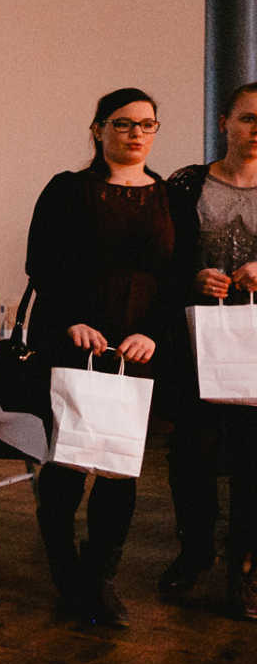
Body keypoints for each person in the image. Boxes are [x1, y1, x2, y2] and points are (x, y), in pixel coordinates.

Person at [25, 87, 174, 627]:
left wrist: (154, 334)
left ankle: (100, 576)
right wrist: (71, 320)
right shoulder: (68, 190)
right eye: (124, 123)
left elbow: (175, 278)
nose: (136, 133)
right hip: (75, 342)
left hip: (139, 350)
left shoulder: (169, 195)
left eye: (147, 125)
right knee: (65, 463)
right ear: (98, 129)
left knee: (119, 468)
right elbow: (41, 263)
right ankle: (66, 574)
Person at [160, 82, 257, 618]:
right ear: (224, 122)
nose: (255, 131)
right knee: (192, 455)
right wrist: (190, 278)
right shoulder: (187, 183)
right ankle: (195, 551)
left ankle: (246, 568)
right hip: (195, 343)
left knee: (253, 460)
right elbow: (160, 257)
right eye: (247, 119)